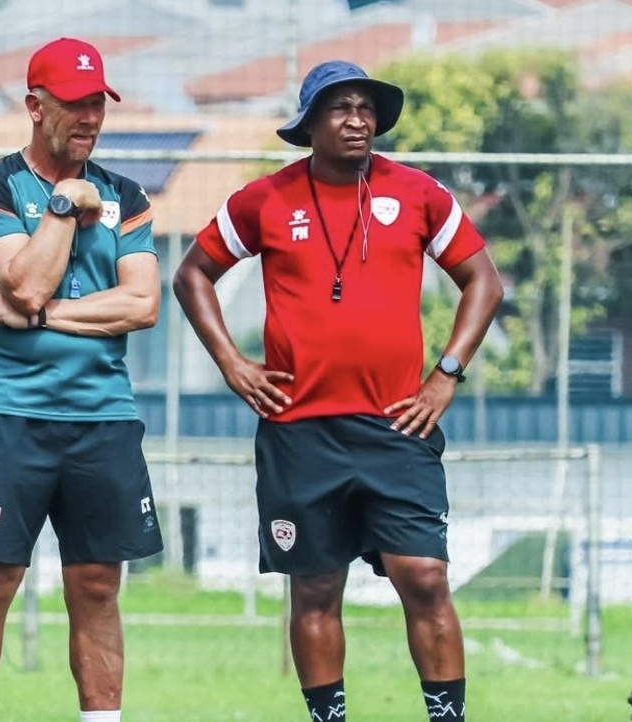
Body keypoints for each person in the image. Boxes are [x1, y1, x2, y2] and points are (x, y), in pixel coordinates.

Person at [173, 60, 504, 722]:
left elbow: (484, 282)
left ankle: (448, 716)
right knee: (316, 588)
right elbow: (192, 276)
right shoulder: (264, 200)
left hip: (397, 428)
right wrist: (233, 364)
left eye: (366, 107)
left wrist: (446, 374)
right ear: (309, 124)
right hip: (299, 432)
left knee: (427, 577)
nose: (357, 119)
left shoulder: (418, 194)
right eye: (339, 108)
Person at [0, 37, 164, 722]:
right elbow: (28, 278)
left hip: (104, 418)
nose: (89, 117)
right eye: (74, 104)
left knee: (98, 585)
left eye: (97, 102)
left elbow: (142, 305)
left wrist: (39, 315)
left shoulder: (128, 196)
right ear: (35, 107)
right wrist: (65, 207)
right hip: (11, 416)